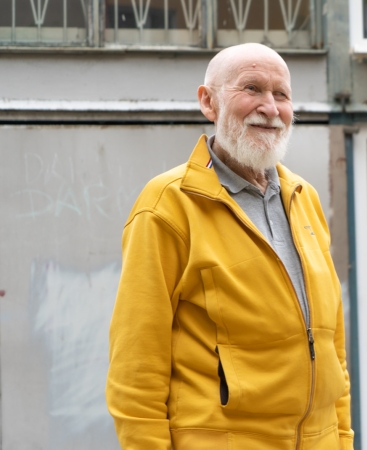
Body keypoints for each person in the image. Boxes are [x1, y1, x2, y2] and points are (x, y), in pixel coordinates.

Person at [106, 43, 354, 450]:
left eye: (282, 95)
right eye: (252, 88)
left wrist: (343, 439)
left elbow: (332, 350)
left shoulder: (304, 198)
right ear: (208, 102)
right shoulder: (168, 204)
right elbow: (136, 368)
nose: (270, 108)